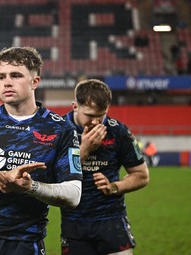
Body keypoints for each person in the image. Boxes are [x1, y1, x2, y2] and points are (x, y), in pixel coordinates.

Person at [0, 46, 83, 255]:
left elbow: (73, 194)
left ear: (35, 81)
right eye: (1, 77)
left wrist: (30, 187)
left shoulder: (60, 129)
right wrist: (3, 178)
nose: (7, 82)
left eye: (16, 75)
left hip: (24, 242)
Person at [61, 79, 150, 255]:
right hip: (74, 222)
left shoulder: (118, 131)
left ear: (107, 109)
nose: (95, 123)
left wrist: (114, 187)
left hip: (112, 219)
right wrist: (84, 149)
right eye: (89, 116)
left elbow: (142, 175)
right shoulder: (60, 130)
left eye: (100, 116)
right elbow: (53, 177)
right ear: (74, 106)